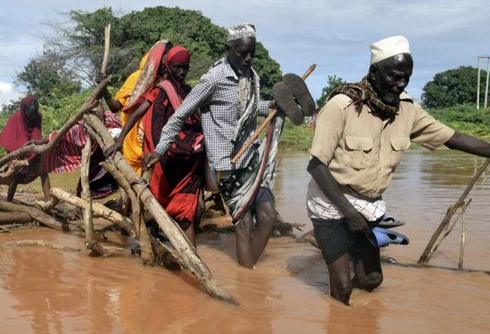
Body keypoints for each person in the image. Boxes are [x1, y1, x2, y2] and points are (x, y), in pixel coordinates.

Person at [306, 36, 490, 305]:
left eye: (406, 77)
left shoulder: (408, 110)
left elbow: (454, 138)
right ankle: (339, 320)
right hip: (331, 201)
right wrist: (349, 213)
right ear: (373, 72)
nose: (401, 83)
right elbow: (315, 165)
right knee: (343, 287)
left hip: (369, 204)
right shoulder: (341, 106)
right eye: (394, 76)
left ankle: (355, 320)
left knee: (371, 280)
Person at [144, 24, 303, 268]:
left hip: (250, 158)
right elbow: (179, 116)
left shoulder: (248, 76)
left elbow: (248, 110)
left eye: (252, 52)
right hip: (226, 164)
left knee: (269, 217)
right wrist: (160, 149)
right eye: (242, 52)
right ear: (228, 49)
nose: (248, 57)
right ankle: (248, 281)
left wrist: (275, 106)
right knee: (244, 225)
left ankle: (249, 277)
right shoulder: (213, 79)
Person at [117, 46, 205, 245]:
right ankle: (154, 242)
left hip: (188, 159)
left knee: (186, 211)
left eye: (185, 67)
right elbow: (138, 112)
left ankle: (192, 258)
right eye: (177, 67)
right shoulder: (161, 90)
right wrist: (120, 139)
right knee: (158, 201)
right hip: (163, 157)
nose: (182, 72)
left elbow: (197, 120)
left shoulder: (188, 91)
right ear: (168, 66)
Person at [101, 40, 171, 175]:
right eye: (165, 57)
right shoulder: (136, 78)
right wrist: (104, 89)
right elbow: (115, 107)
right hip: (132, 138)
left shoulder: (167, 82)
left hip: (156, 140)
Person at [0, 96, 50, 201]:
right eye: (30, 114)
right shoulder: (14, 119)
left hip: (32, 152)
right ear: (24, 110)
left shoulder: (37, 117)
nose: (32, 117)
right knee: (15, 178)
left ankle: (49, 201)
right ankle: (8, 202)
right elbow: (10, 141)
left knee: (43, 170)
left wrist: (35, 153)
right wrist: (16, 160)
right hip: (17, 155)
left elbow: (36, 136)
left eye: (34, 114)